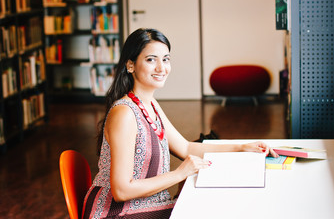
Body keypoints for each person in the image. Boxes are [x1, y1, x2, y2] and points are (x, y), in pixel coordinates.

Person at [82, 28, 278, 219]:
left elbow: (185, 148)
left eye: (165, 59)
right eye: (151, 60)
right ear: (130, 65)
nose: (161, 68)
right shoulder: (124, 113)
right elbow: (122, 191)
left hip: (146, 205)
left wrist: (243, 147)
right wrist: (180, 173)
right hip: (116, 212)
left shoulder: (149, 104)